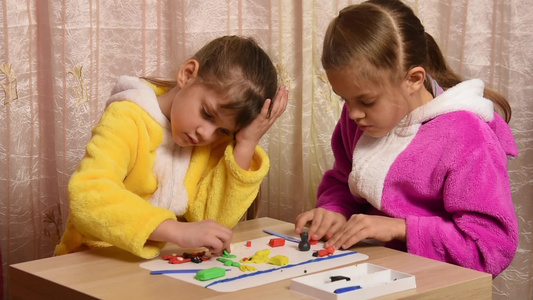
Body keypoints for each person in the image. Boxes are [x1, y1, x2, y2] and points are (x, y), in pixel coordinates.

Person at [294, 0, 518, 277]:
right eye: (344, 99)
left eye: (367, 100)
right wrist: (334, 209)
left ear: (413, 79)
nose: (353, 114)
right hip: (367, 272)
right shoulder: (358, 119)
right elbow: (344, 180)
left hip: (435, 284)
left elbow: (490, 248)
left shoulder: (467, 137)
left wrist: (400, 228)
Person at [55, 35, 289, 259]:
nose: (207, 134)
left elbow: (212, 220)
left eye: (224, 131)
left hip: (151, 268)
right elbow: (87, 194)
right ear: (187, 75)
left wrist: (246, 144)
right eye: (207, 113)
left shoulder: (210, 141)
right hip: (91, 261)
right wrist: (175, 230)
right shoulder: (127, 117)